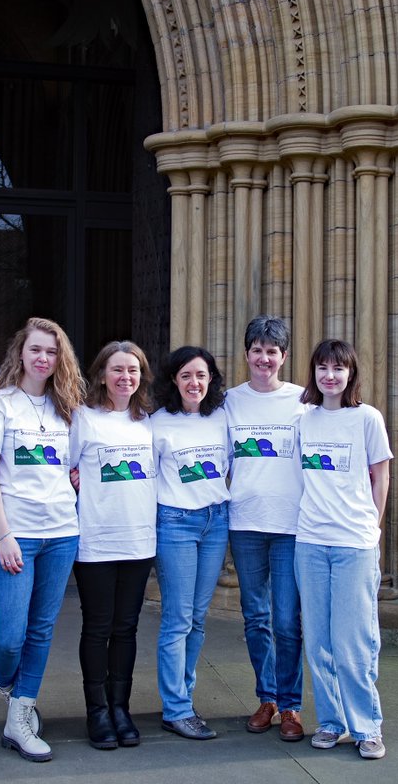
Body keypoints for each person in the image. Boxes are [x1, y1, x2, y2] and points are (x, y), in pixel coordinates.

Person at [0, 317, 84, 763]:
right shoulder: (0, 404)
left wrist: (76, 476)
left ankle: (20, 713)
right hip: (12, 535)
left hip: (61, 534)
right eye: (36, 349)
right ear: (21, 353)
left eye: (52, 352)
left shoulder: (68, 407)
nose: (43, 358)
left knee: (41, 629)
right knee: (9, 638)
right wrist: (3, 534)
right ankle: (9, 683)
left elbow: (76, 465)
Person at [296, 339, 392, 761]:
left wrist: (374, 525)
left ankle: (367, 726)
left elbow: (380, 475)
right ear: (313, 373)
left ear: (351, 374)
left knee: (353, 640)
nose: (329, 375)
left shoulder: (366, 418)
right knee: (318, 639)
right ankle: (332, 722)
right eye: (322, 367)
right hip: (311, 541)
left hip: (353, 542)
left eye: (338, 368)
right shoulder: (304, 419)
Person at [68, 341, 157, 750]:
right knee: (98, 626)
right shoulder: (82, 420)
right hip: (96, 541)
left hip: (139, 540)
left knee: (126, 628)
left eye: (133, 370)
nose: (126, 377)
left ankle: (121, 708)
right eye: (118, 369)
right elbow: (62, 468)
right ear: (102, 374)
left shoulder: (149, 422)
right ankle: (97, 712)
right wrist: (71, 479)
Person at [224, 315, 308, 740]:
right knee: (255, 616)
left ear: (284, 356)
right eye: (256, 350)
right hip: (245, 523)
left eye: (271, 351)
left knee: (287, 619)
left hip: (291, 524)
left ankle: (292, 707)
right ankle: (267, 698)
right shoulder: (228, 401)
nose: (263, 358)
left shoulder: (303, 400)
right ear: (246, 354)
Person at [150, 346, 230, 741]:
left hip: (215, 522)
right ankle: (177, 708)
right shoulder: (157, 423)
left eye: (201, 375)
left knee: (198, 618)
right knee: (178, 618)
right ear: (173, 381)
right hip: (176, 523)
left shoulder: (223, 417)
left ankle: (182, 696)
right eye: (185, 376)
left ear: (211, 379)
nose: (194, 383)